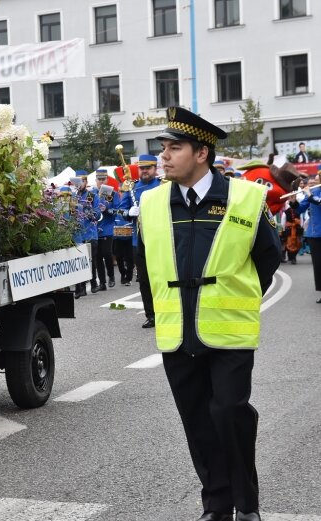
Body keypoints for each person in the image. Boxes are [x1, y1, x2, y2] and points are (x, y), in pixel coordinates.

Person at [138, 107, 280, 521]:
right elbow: (146, 267)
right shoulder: (151, 202)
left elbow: (267, 260)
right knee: (197, 421)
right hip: (176, 334)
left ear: (202, 153)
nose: (163, 156)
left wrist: (235, 299)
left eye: (174, 148)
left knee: (229, 412)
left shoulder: (246, 198)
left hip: (229, 334)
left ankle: (246, 505)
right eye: (163, 148)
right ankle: (216, 505)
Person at [120, 154, 161, 328]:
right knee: (144, 279)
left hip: (160, 239)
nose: (144, 171)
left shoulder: (163, 186)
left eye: (148, 168)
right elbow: (120, 210)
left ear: (155, 168)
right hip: (139, 241)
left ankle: (166, 312)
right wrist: (129, 212)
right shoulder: (132, 188)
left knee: (162, 278)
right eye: (142, 168)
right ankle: (151, 315)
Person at [293, 171, 321, 302]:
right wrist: (293, 198)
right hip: (313, 233)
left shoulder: (312, 193)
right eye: (314, 179)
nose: (315, 182)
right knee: (318, 264)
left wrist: (309, 194)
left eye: (317, 179)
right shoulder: (314, 192)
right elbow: (300, 209)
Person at [71, 170, 100, 298]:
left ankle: (93, 283)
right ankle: (80, 288)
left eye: (82, 181)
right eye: (77, 181)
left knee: (90, 261)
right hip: (77, 234)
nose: (79, 184)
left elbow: (98, 214)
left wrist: (87, 210)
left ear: (86, 182)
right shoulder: (72, 197)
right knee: (78, 262)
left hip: (90, 233)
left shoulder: (92, 196)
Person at [93, 168, 119, 290]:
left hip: (107, 227)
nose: (101, 182)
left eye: (103, 179)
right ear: (96, 180)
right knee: (97, 256)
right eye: (99, 179)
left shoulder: (112, 193)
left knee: (107, 253)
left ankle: (111, 276)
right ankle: (102, 283)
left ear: (107, 180)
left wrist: (107, 209)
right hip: (95, 229)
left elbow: (118, 210)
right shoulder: (91, 194)